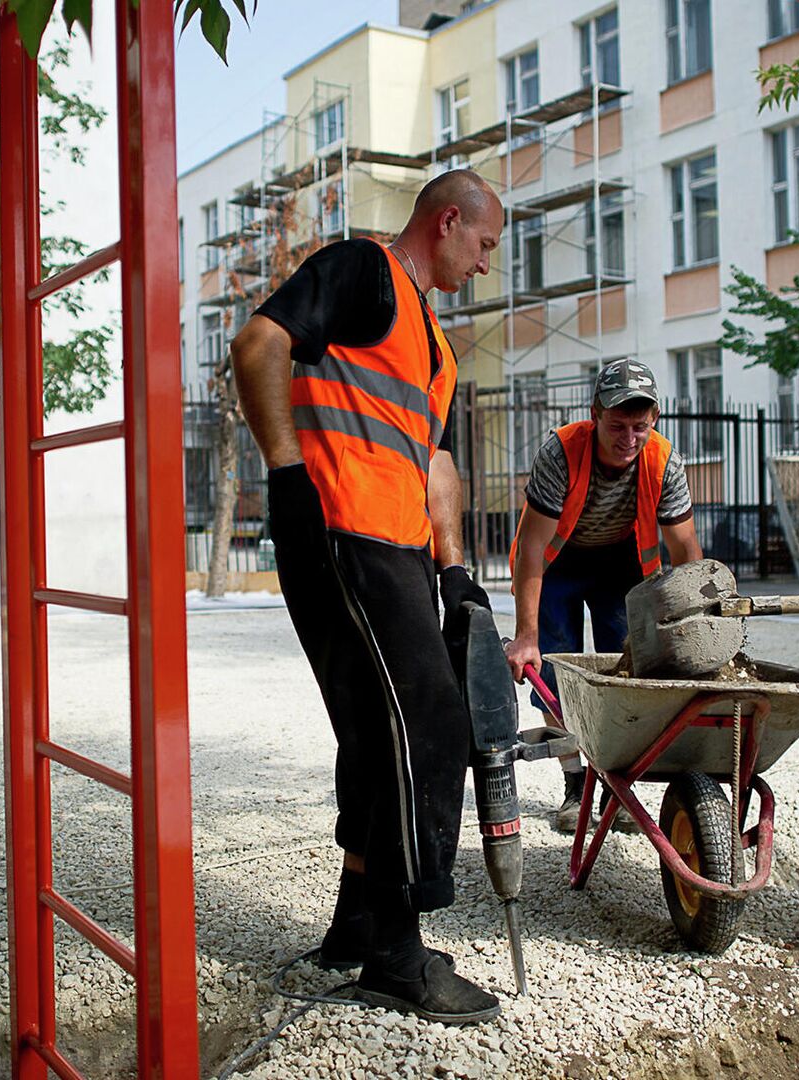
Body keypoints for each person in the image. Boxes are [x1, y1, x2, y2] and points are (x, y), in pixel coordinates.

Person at [229, 168, 506, 1025]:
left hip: (400, 553)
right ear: (448, 220)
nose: (487, 266)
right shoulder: (360, 269)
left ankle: (356, 928)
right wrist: (287, 478)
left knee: (376, 726)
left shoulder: (437, 342)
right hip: (340, 534)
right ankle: (396, 955)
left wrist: (454, 571)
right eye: (486, 245)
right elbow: (256, 345)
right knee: (424, 726)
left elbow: (436, 462)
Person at [502, 359, 702, 831]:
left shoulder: (664, 461)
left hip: (621, 564)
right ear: (595, 413)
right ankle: (576, 786)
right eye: (617, 425)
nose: (629, 438)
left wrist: (696, 628)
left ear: (654, 420)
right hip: (558, 562)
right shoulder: (561, 452)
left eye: (640, 426)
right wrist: (526, 635)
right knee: (555, 669)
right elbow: (531, 548)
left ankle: (616, 787)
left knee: (627, 671)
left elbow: (685, 550)